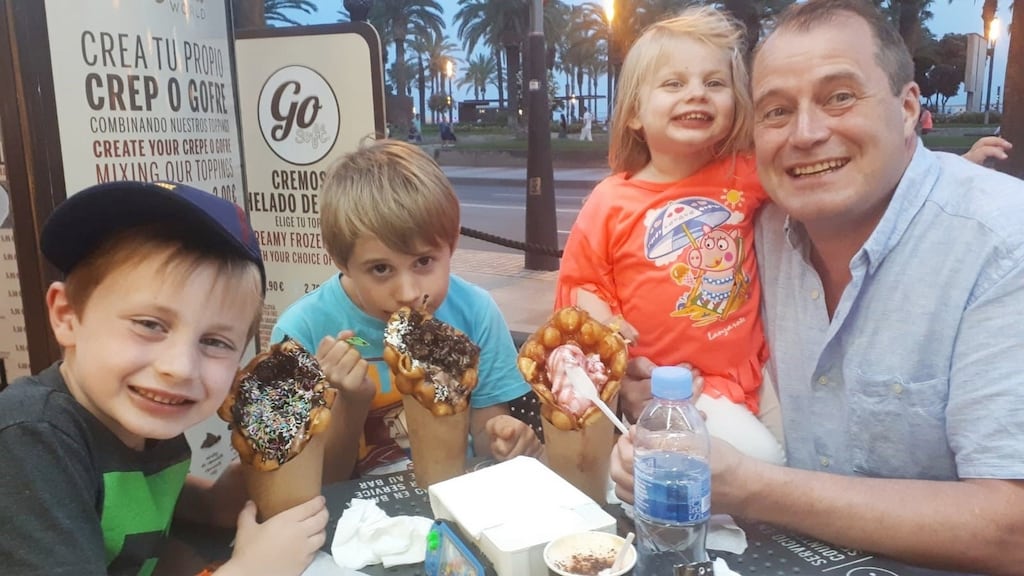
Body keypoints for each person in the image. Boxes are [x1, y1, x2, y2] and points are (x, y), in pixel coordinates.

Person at [611, 1, 1024, 573]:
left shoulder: (1003, 244)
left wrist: (753, 487)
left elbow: (1013, 528)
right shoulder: (750, 234)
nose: (806, 134)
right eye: (776, 111)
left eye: (839, 97)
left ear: (908, 108)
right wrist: (648, 387)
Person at [0, 181, 328, 575]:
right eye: (150, 324)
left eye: (215, 341)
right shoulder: (28, 439)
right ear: (67, 316)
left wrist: (209, 503)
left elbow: (119, 498)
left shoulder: (144, 417)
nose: (180, 367)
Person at [557, 7, 785, 463]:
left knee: (803, 462)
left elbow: (810, 177)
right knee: (766, 464)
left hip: (756, 372)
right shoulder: (610, 201)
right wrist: (611, 344)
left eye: (714, 83)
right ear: (635, 113)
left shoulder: (747, 172)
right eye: (674, 83)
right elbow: (582, 284)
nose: (696, 94)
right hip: (676, 388)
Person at [272, 139, 542, 482]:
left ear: (453, 245)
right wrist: (350, 405)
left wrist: (507, 438)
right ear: (342, 261)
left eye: (424, 262)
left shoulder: (475, 312)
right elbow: (317, 483)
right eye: (381, 269)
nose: (408, 293)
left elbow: (486, 437)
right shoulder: (302, 332)